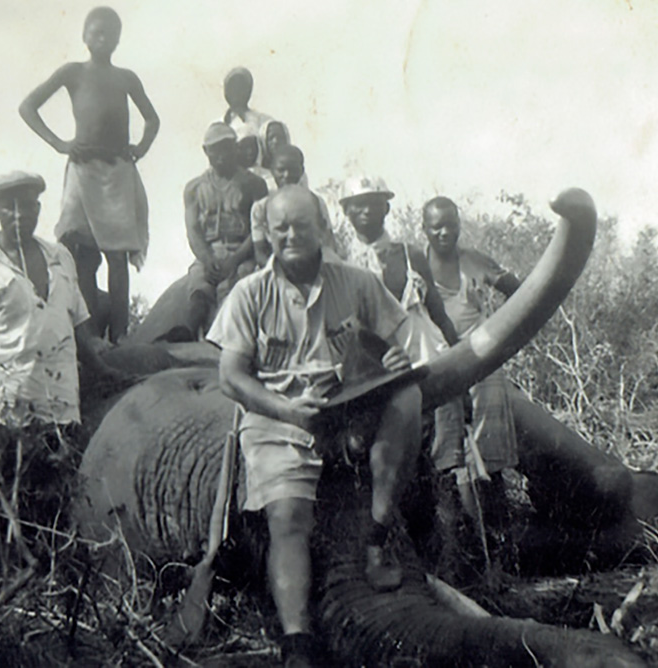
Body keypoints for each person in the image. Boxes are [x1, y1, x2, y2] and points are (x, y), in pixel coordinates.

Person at [207, 185, 423, 668]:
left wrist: (391, 358)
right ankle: (298, 640)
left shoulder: (358, 281)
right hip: (279, 416)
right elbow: (231, 377)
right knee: (286, 517)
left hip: (350, 407)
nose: (290, 235)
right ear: (267, 232)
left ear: (322, 228)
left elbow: (391, 346)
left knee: (408, 394)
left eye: (301, 225)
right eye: (280, 226)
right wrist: (286, 411)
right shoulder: (249, 294)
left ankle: (378, 532)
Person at [0, 171, 125, 500]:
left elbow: (79, 323)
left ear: (38, 209)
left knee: (59, 496)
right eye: (9, 208)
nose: (18, 215)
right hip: (5, 408)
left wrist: (106, 371)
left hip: (59, 403)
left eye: (26, 207)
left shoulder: (61, 258)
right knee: (4, 502)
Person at [19, 6, 159, 343]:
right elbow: (28, 106)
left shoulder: (126, 77)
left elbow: (152, 119)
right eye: (97, 32)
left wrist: (140, 146)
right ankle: (90, 332)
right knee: (81, 251)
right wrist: (59, 143)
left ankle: (120, 334)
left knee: (118, 254)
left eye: (110, 34)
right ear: (84, 36)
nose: (103, 39)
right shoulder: (73, 72)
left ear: (118, 39)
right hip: (83, 169)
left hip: (118, 172)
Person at [339, 177, 466, 474]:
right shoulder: (341, 265)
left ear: (386, 207)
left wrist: (462, 359)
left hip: (428, 359)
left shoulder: (411, 255)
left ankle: (452, 497)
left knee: (449, 455)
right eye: (358, 204)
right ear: (346, 211)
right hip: (378, 374)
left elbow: (437, 311)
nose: (366, 210)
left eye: (374, 202)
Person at [422, 196, 523, 479]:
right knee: (444, 428)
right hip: (438, 354)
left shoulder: (474, 260)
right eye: (436, 226)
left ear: (459, 226)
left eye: (451, 225)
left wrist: (502, 333)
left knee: (489, 424)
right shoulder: (416, 264)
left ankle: (493, 494)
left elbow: (519, 292)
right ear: (424, 229)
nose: (444, 232)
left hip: (480, 351)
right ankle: (450, 492)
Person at [181, 122, 268, 339]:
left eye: (226, 146)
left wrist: (236, 259)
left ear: (235, 147)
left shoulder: (253, 183)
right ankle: (188, 334)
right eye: (215, 148)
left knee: (238, 286)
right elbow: (193, 230)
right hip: (209, 253)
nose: (221, 154)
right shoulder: (194, 188)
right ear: (205, 151)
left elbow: (258, 228)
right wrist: (206, 258)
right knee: (199, 287)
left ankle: (225, 338)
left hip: (242, 251)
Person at [250, 145, 335, 267]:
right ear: (272, 170)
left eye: (293, 169)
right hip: (274, 271)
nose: (287, 175)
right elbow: (260, 252)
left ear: (302, 170)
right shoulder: (261, 208)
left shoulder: (315, 202)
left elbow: (328, 243)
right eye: (281, 170)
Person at [222, 66, 273, 140]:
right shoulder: (218, 125)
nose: (237, 91)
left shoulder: (263, 122)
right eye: (233, 87)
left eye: (241, 87)